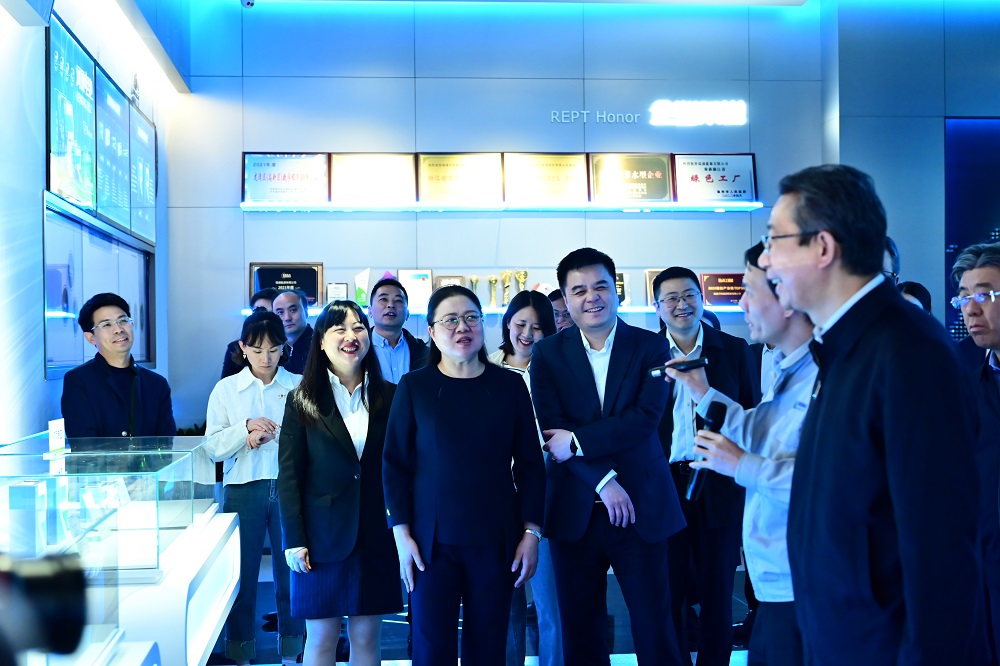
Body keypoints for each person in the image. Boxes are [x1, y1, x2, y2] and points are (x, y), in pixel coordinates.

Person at [759, 164, 987, 664]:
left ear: (823, 247)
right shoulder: (843, 347)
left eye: (774, 240)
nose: (766, 260)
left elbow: (940, 549)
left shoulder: (908, 353)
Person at [530, 248, 685, 666]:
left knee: (655, 629)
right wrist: (604, 481)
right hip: (574, 508)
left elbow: (644, 420)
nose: (591, 297)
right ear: (565, 298)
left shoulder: (651, 346)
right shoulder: (547, 354)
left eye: (600, 286)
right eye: (579, 290)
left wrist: (578, 441)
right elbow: (553, 433)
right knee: (581, 633)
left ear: (616, 291)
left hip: (642, 506)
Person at [665, 242, 815, 666]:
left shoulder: (826, 372)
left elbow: (824, 480)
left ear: (788, 296)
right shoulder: (787, 368)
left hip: (803, 578)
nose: (742, 302)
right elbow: (756, 426)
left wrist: (738, 464)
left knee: (716, 593)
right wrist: (702, 391)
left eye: (750, 289)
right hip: (775, 581)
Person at [383, 285, 545, 666]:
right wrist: (401, 535)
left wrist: (532, 532)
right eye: (451, 320)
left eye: (471, 317)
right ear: (432, 331)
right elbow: (394, 464)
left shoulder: (509, 386)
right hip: (429, 545)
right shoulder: (414, 387)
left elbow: (530, 464)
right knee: (430, 647)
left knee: (488, 648)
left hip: (496, 541)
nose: (462, 327)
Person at [277, 300, 401, 665]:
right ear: (320, 340)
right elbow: (289, 475)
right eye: (340, 329)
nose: (351, 336)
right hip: (320, 537)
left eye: (359, 327)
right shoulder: (302, 400)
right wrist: (294, 539)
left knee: (366, 637)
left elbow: (402, 468)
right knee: (321, 637)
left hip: (376, 532)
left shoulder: (392, 396)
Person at [652, 265, 757, 666]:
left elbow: (750, 417)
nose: (681, 304)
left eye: (689, 295)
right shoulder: (645, 354)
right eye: (671, 298)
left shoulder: (734, 350)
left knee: (717, 594)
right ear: (658, 307)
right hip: (664, 487)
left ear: (701, 298)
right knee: (669, 593)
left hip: (719, 483)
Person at [203, 308, 304, 665]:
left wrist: (280, 436)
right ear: (243, 348)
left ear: (284, 347)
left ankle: (293, 652)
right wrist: (245, 430)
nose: (266, 358)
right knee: (242, 577)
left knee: (291, 574)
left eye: (274, 349)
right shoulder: (227, 389)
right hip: (243, 488)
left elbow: (314, 439)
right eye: (258, 350)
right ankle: (241, 653)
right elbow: (212, 446)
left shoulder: (298, 385)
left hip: (290, 486)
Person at [488, 291, 560, 666]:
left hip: (548, 491)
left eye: (537, 327)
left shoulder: (559, 370)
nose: (527, 334)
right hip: (498, 496)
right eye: (520, 324)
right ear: (507, 324)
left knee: (551, 604)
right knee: (503, 605)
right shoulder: (484, 368)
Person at [951, 242, 1000, 661]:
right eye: (964, 298)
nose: (970, 309)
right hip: (983, 572)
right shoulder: (967, 382)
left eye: (984, 295)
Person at [61, 292, 175, 438]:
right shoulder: (79, 381)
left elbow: (166, 443)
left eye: (123, 321)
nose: (118, 329)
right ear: (91, 338)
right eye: (106, 324)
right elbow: (83, 443)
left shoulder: (157, 384)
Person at [368, 278, 429, 383]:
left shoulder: (423, 351)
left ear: (407, 314)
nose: (391, 305)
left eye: (398, 300)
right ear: (370, 311)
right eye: (383, 299)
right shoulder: (359, 349)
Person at [221, 288, 279, 379]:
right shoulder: (235, 348)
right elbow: (227, 383)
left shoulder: (289, 345)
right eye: (259, 311)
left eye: (273, 350)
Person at [273, 289, 313, 375]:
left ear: (306, 312)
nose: (287, 318)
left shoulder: (321, 344)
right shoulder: (273, 348)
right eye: (280, 312)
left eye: (293, 310)